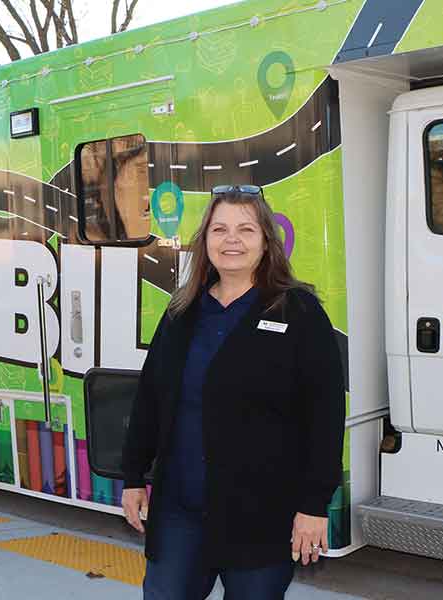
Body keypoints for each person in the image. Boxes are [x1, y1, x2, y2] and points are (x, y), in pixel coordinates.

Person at [120, 184, 345, 599]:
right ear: (205, 241)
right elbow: (150, 399)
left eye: (246, 230)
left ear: (266, 242)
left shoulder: (298, 312)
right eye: (219, 230)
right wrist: (133, 477)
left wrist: (314, 505)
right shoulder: (181, 313)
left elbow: (325, 416)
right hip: (179, 514)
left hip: (261, 515)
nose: (232, 241)